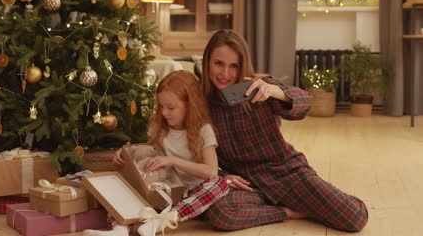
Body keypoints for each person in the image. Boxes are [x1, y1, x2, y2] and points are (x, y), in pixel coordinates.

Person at [201, 30, 368, 232]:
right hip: (245, 185)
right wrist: (223, 175)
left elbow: (305, 104)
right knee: (220, 212)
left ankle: (319, 199)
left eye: (233, 66)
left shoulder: (259, 88)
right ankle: (290, 211)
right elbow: (198, 151)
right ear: (207, 61)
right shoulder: (200, 103)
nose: (225, 74)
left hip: (284, 175)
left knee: (354, 217)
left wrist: (276, 92)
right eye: (219, 63)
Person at [85, 70, 228, 236]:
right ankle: (119, 229)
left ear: (190, 104)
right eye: (161, 106)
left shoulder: (204, 130)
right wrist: (126, 154)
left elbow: (210, 171)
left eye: (171, 107)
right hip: (162, 190)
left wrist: (173, 160)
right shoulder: (158, 126)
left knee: (220, 183)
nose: (164, 112)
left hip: (191, 195)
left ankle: (161, 221)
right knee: (126, 184)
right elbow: (148, 156)